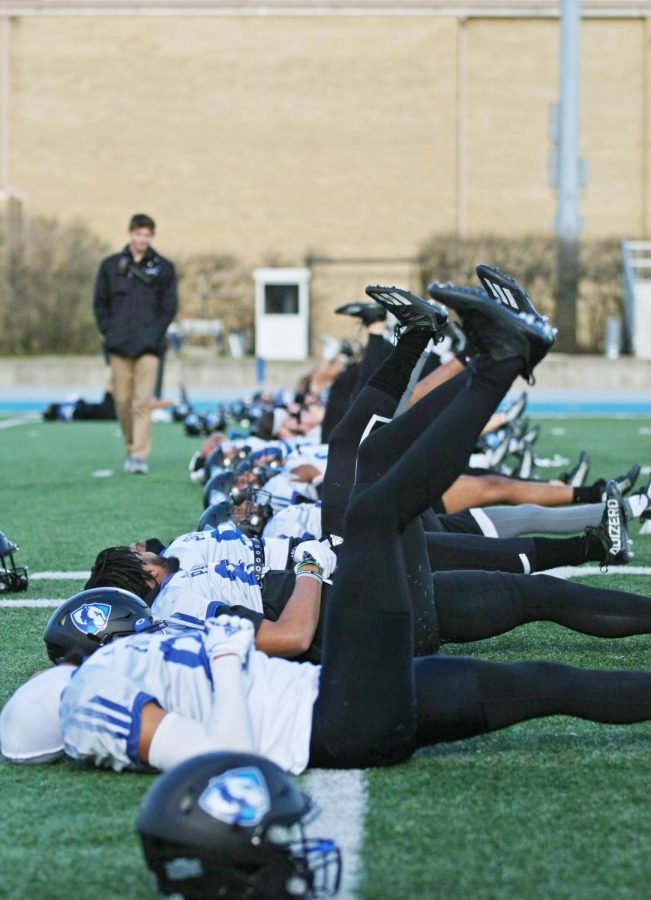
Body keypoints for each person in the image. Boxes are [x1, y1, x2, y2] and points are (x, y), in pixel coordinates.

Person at [10, 279, 651, 778]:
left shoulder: (150, 636)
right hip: (340, 699)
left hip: (342, 681)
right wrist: (301, 578)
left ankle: (485, 359)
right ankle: (492, 362)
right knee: (376, 487)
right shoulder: (109, 682)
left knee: (546, 675)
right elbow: (241, 720)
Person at [93, 212, 177, 475]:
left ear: (152, 236)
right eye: (138, 233)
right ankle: (130, 447)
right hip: (118, 345)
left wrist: (154, 335)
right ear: (130, 233)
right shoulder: (110, 266)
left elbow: (169, 307)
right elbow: (99, 303)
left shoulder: (164, 268)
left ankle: (139, 456)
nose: (142, 239)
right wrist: (109, 332)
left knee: (142, 402)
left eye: (147, 235)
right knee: (122, 402)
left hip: (149, 347)